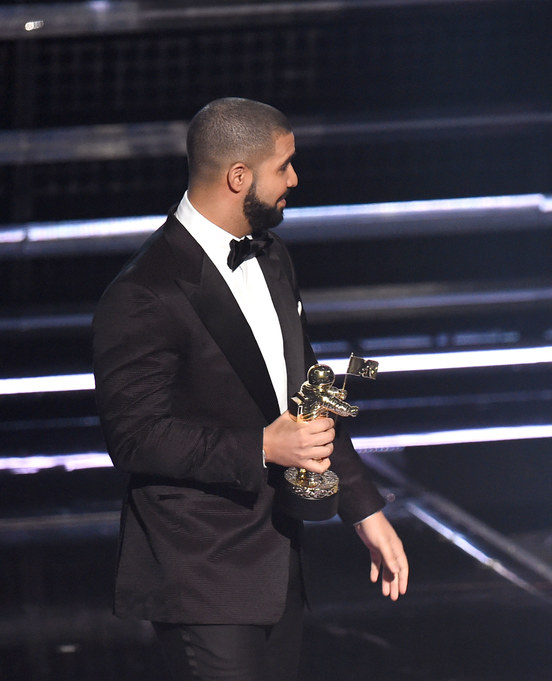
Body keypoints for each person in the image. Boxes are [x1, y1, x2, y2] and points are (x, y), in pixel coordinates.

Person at [92, 97, 408, 681]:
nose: (295, 178)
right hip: (199, 571)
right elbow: (135, 437)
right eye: (284, 166)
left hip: (278, 560)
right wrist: (262, 447)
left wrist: (363, 509)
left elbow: (307, 389)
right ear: (239, 177)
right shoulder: (143, 293)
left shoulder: (273, 257)